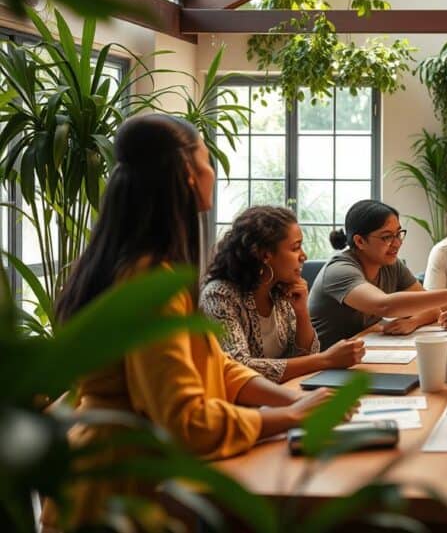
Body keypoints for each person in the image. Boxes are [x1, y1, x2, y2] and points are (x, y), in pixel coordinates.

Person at [46, 115, 335, 527]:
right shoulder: (150, 282)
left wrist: (292, 401)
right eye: (205, 156)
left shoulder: (150, 268)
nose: (211, 170)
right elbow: (184, 422)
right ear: (186, 172)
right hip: (120, 491)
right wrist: (291, 417)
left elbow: (214, 363)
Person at [200, 206, 365, 383]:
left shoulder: (279, 292)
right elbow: (238, 367)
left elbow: (304, 357)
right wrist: (326, 360)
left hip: (282, 395)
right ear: (265, 255)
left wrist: (302, 312)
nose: (304, 256)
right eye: (296, 248)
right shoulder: (219, 295)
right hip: (239, 407)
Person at [308, 199, 447, 348]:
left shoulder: (391, 264)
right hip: (323, 369)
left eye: (398, 234)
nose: (397, 243)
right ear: (359, 241)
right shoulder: (340, 271)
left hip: (364, 356)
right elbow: (383, 306)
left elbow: (431, 308)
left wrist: (414, 322)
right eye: (387, 237)